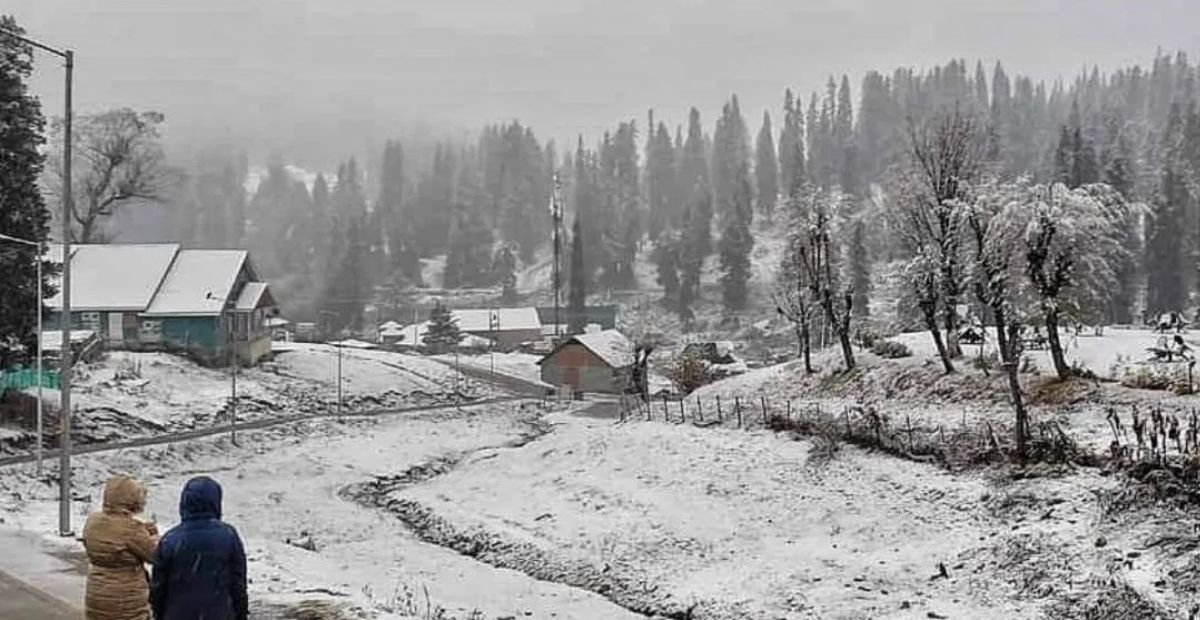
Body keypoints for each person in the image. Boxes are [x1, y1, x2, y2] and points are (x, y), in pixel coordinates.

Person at [150, 476, 248, 620]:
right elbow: (238, 583)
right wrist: (241, 613)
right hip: (219, 613)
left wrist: (159, 613)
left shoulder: (170, 539)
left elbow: (158, 587)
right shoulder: (228, 535)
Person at [81, 475, 159, 620]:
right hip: (126, 598)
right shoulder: (131, 528)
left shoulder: (93, 521)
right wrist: (153, 535)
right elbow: (155, 556)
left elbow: (109, 539)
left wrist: (141, 530)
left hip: (97, 592)